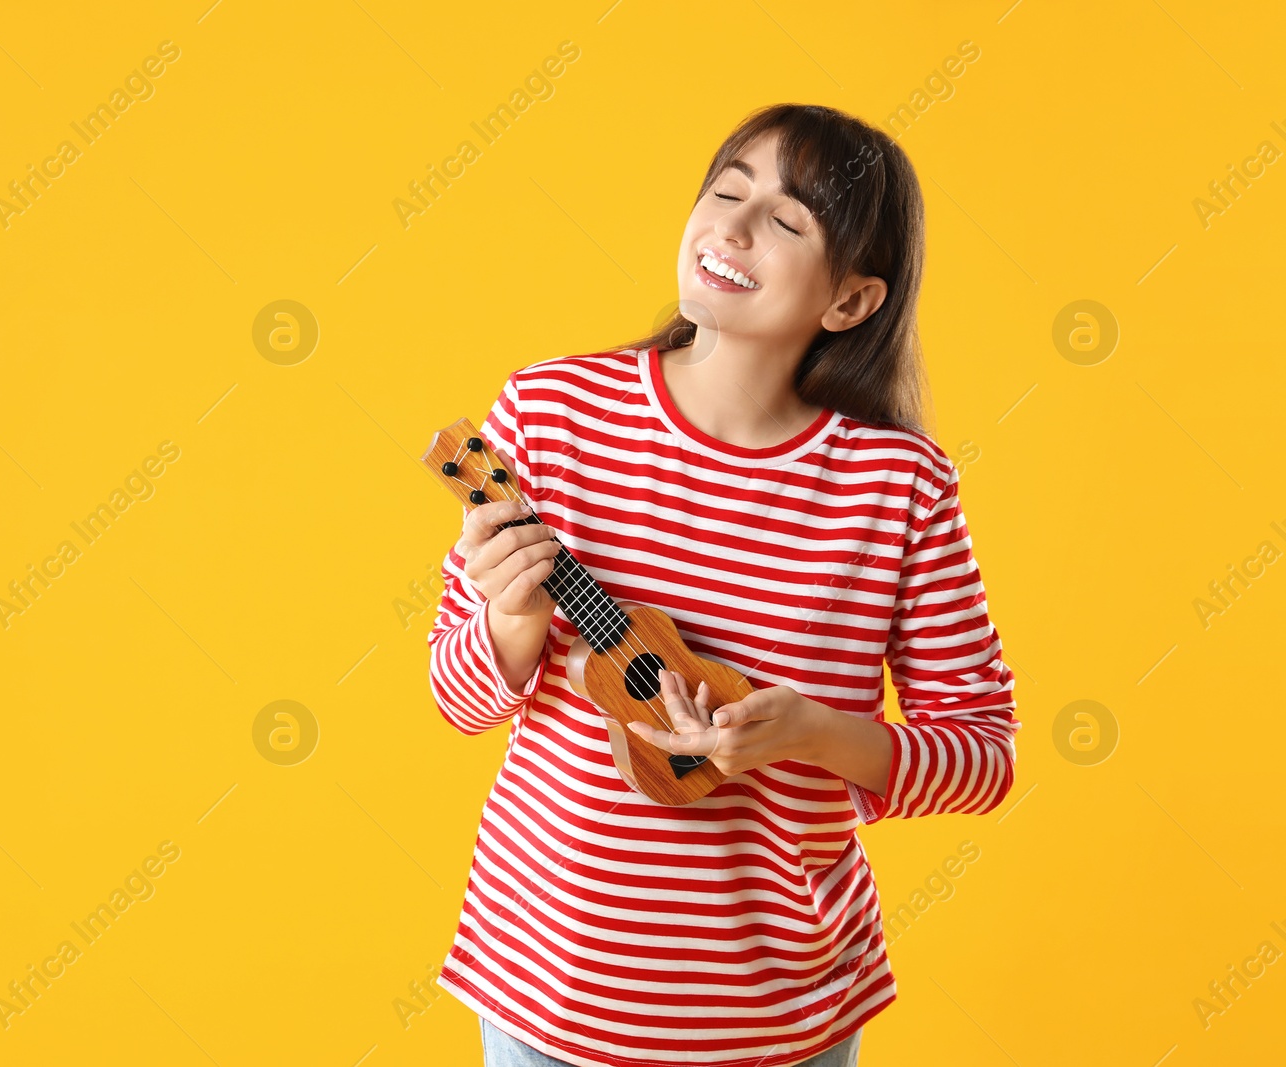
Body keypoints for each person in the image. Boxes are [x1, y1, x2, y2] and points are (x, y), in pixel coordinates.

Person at [426, 102, 1021, 1067]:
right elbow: (457, 699)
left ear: (852, 302)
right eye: (726, 190)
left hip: (782, 1015)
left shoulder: (895, 486)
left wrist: (811, 733)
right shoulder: (551, 413)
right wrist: (509, 616)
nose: (734, 226)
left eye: (788, 221)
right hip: (551, 988)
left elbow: (984, 755)